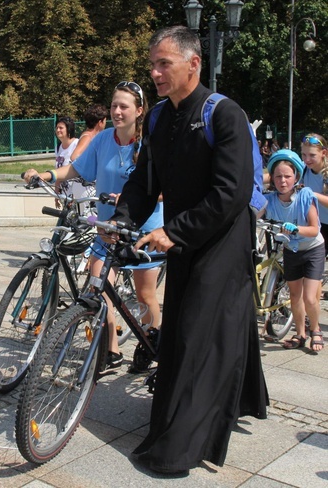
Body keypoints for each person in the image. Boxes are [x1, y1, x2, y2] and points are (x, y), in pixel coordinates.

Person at [105, 25, 268, 474]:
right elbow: (145, 180)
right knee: (185, 325)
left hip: (222, 241)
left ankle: (179, 445)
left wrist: (176, 232)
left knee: (197, 332)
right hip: (181, 237)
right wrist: (123, 218)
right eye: (153, 63)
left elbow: (231, 192)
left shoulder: (224, 114)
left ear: (193, 64)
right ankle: (242, 397)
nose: (155, 72)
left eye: (164, 63)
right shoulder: (157, 116)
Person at [23, 82, 163, 370]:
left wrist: (132, 196)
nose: (117, 111)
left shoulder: (148, 143)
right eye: (114, 105)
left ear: (139, 111)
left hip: (143, 227)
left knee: (144, 295)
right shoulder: (102, 140)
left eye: (124, 106)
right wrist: (47, 174)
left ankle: (151, 343)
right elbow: (76, 168)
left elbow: (165, 188)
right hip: (107, 228)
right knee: (96, 289)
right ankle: (110, 351)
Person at [265, 149, 325, 353]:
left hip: (313, 249)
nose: (283, 181)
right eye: (278, 176)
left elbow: (314, 228)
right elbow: (255, 215)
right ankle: (300, 334)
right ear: (272, 178)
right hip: (292, 249)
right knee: (294, 295)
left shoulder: (305, 196)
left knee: (309, 297)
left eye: (287, 176)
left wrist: (296, 228)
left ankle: (315, 330)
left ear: (296, 177)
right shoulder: (271, 199)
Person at [301, 133, 328, 255]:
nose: (307, 159)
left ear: (324, 153)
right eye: (304, 154)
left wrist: (311, 194)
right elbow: (273, 175)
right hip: (316, 225)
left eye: (312, 155)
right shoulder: (304, 169)